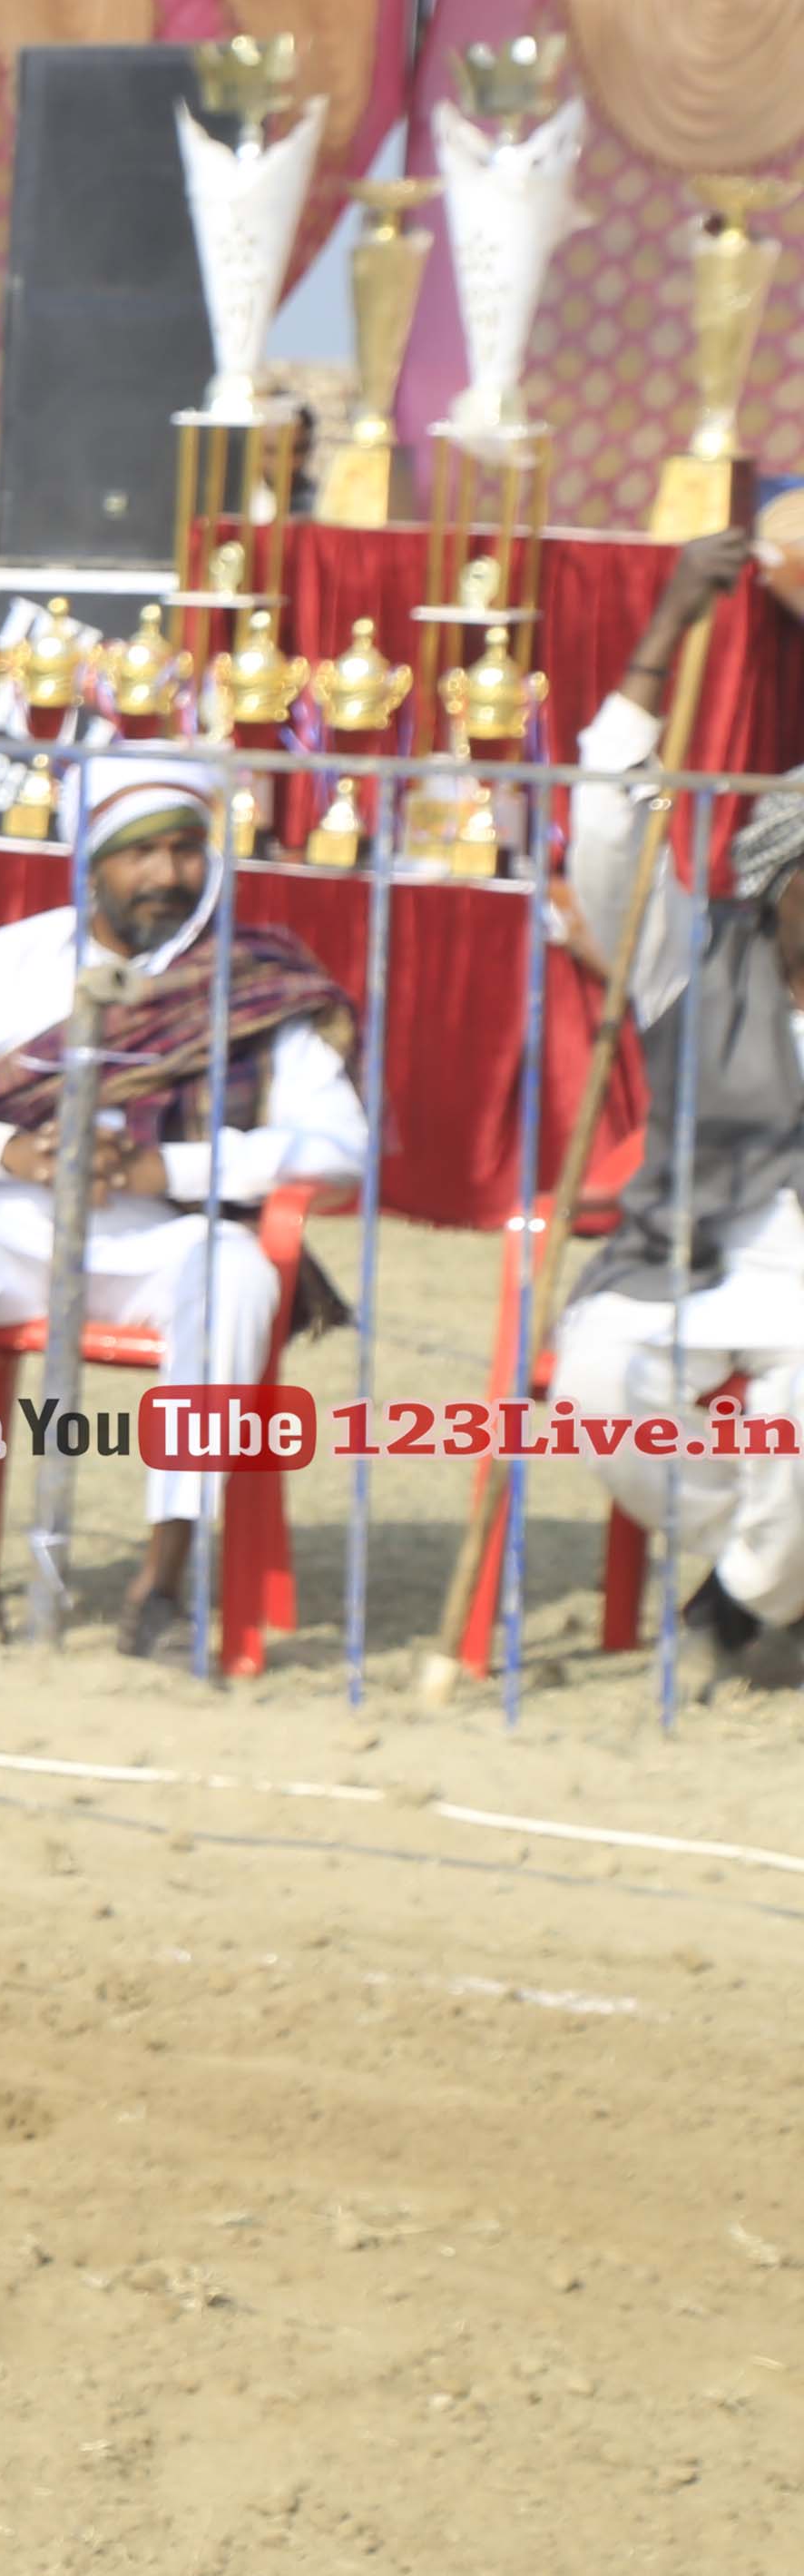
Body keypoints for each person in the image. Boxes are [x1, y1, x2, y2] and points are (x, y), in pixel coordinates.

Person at [0, 752, 366, 1647]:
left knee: (238, 1279)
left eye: (185, 850)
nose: (166, 874)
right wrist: (8, 1150)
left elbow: (341, 1147)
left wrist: (169, 1170)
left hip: (171, 1238)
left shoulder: (249, 979)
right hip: (18, 1224)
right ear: (92, 862)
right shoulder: (2, 964)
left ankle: (161, 1581)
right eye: (139, 852)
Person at [552, 514, 804, 1694]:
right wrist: (666, 633)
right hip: (684, 1262)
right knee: (597, 1387)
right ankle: (774, 1576)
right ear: (780, 884)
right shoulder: (691, 958)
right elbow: (610, 826)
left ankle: (735, 1606)